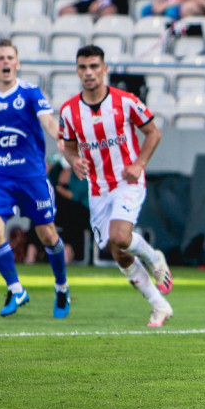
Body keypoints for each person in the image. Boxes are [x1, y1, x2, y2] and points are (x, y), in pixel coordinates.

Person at [60, 45, 174, 327]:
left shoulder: (125, 101)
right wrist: (74, 161)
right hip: (98, 188)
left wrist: (140, 163)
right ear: (77, 71)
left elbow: (153, 132)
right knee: (118, 252)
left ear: (104, 69)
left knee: (121, 237)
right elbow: (69, 146)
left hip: (128, 181)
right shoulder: (69, 111)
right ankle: (159, 306)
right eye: (83, 67)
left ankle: (154, 258)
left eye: (94, 66)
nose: (89, 73)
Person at [0, 40, 70, 318]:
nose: (5, 62)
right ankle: (16, 288)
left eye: (10, 57)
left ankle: (61, 288)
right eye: (0, 58)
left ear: (18, 63)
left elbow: (48, 121)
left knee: (47, 234)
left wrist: (60, 138)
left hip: (32, 177)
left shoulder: (31, 93)